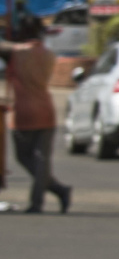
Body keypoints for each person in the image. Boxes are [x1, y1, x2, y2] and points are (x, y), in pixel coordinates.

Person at [3, 14, 73, 214]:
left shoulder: (15, 53)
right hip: (46, 110)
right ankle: (45, 197)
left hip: (22, 112)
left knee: (24, 158)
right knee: (42, 159)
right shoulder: (48, 54)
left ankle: (53, 193)